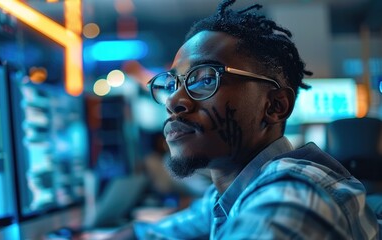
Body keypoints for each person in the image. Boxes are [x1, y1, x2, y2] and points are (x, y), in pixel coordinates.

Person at [112, 0, 380, 239]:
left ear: (275, 106)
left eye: (205, 79)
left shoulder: (290, 200)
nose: (173, 101)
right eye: (171, 84)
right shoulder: (232, 191)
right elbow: (147, 233)